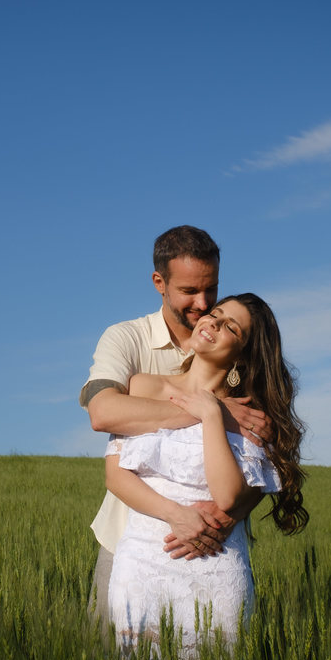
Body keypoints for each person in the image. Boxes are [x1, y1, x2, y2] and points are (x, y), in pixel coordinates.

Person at [80, 225, 274, 623]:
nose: (203, 305)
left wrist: (226, 515)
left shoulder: (239, 352)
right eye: (189, 291)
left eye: (211, 289)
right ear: (159, 283)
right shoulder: (127, 340)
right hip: (128, 542)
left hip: (217, 544)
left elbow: (267, 455)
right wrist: (213, 411)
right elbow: (103, 412)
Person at [105, 293, 308, 660]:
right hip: (143, 565)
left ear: (242, 356)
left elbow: (228, 496)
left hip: (217, 568)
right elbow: (116, 477)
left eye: (230, 326)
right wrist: (174, 514)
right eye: (215, 315)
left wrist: (213, 414)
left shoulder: (249, 415)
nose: (212, 323)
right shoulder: (144, 387)